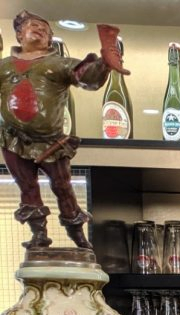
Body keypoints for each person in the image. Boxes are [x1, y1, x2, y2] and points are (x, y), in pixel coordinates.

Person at [0, 11, 126, 248]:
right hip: (13, 139)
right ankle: (38, 234)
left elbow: (86, 76)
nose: (40, 30)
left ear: (50, 40)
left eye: (45, 30)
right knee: (26, 186)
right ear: (19, 34)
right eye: (33, 26)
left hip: (51, 141)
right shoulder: (4, 66)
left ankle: (77, 234)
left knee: (63, 187)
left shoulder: (58, 64)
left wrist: (104, 63)